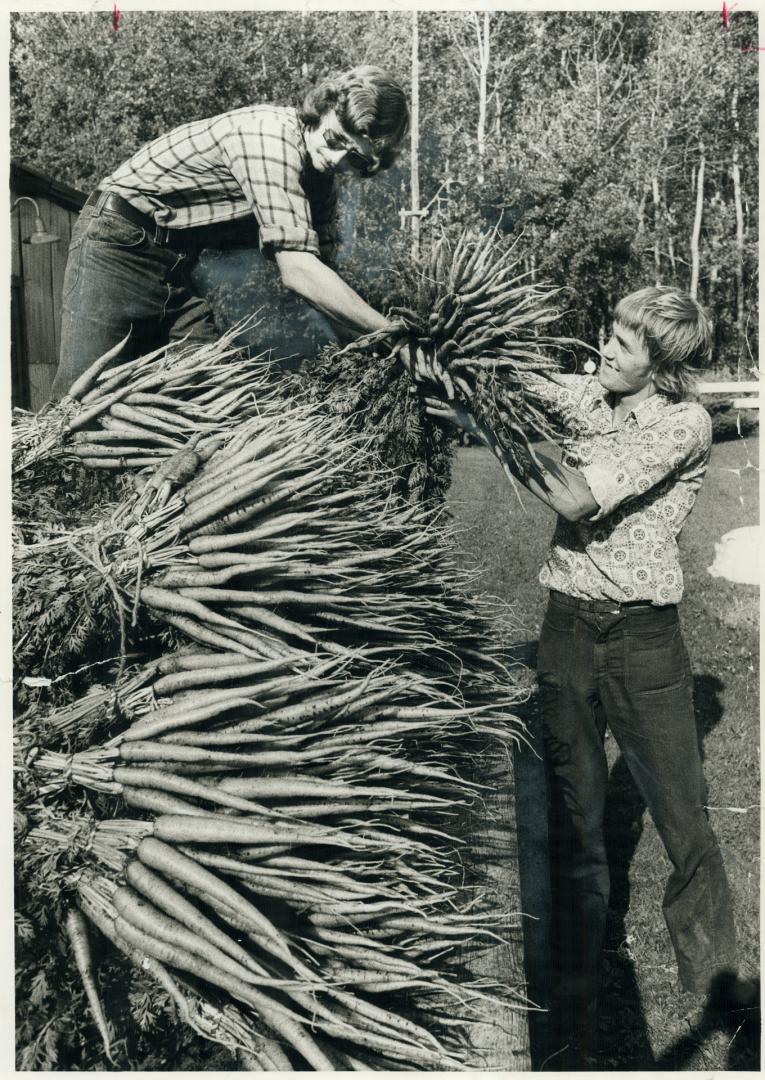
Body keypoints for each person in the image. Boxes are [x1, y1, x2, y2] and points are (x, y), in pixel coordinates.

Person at [420, 286, 759, 1066]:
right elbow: (500, 386)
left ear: (662, 367)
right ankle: (574, 974)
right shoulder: (586, 388)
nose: (604, 349)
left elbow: (574, 496)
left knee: (682, 816)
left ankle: (716, 980)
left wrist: (510, 433)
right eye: (608, 332)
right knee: (573, 808)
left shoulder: (681, 423)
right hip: (567, 626)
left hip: (643, 640)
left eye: (624, 345)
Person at [50, 66, 409, 398]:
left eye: (354, 159)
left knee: (208, 395)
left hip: (176, 265)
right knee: (80, 400)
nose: (334, 159)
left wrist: (380, 356)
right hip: (118, 243)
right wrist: (396, 337)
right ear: (323, 109)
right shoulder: (271, 137)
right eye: (334, 139)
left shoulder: (320, 185)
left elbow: (326, 285)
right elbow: (299, 271)